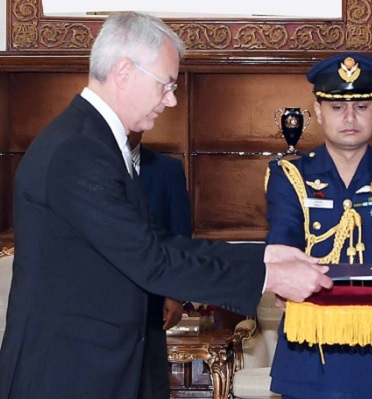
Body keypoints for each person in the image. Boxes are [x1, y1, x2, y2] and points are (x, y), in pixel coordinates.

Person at [0, 11, 332, 399]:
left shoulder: (96, 141)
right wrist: (268, 278)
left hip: (104, 367)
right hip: (67, 374)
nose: (172, 99)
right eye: (166, 85)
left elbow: (158, 242)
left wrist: (266, 258)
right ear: (124, 72)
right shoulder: (78, 150)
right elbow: (151, 259)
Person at [264, 53, 372, 399]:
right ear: (318, 110)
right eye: (337, 107)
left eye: (361, 106)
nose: (349, 117)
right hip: (311, 343)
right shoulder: (291, 176)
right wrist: (281, 271)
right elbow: (284, 233)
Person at [128, 131, 189, 399]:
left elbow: (179, 237)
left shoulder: (168, 169)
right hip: (99, 302)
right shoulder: (91, 164)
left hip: (151, 303)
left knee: (151, 386)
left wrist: (175, 293)